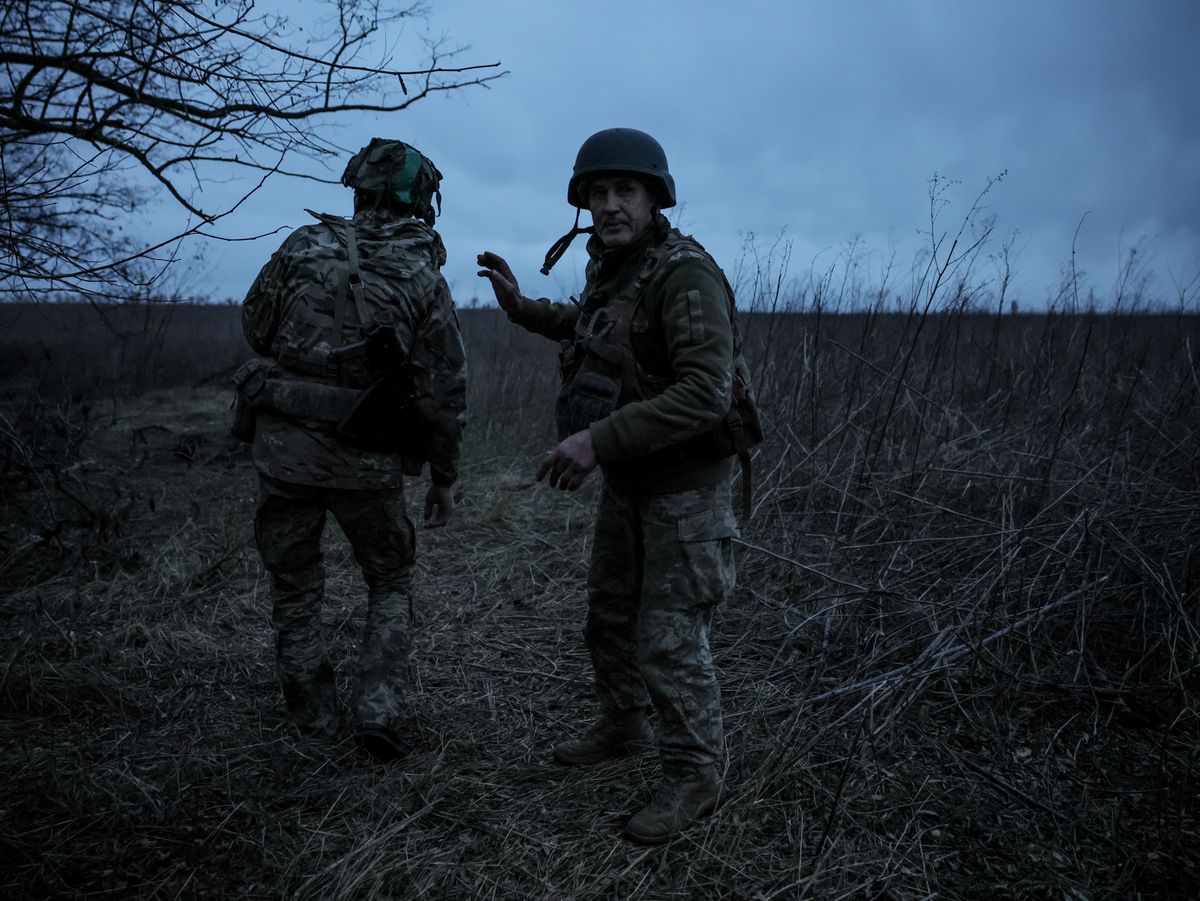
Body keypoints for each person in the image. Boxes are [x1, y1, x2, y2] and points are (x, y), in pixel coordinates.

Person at [477, 127, 758, 843]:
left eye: (624, 190)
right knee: (608, 617)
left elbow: (705, 392)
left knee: (667, 639)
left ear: (654, 196)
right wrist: (522, 310)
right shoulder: (617, 267)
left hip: (686, 491)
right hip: (632, 483)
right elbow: (595, 327)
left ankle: (696, 774)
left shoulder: (683, 272)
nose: (609, 205)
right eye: (597, 193)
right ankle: (623, 725)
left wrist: (596, 439)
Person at [237, 138, 467, 762]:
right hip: (366, 462)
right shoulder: (424, 276)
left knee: (295, 581)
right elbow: (444, 389)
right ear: (422, 201)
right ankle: (377, 710)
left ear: (358, 188)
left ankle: (311, 716)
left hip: (284, 454)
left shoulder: (299, 247)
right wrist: (443, 479)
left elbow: (256, 328)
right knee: (390, 576)